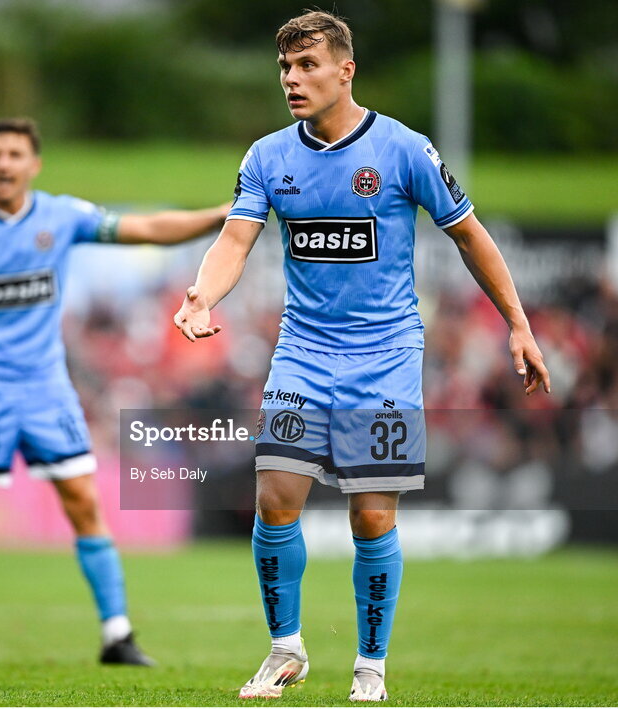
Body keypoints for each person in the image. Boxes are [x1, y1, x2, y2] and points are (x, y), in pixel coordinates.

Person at [173, 10, 552, 702]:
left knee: (370, 515)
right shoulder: (266, 157)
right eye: (284, 67)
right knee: (274, 497)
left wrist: (518, 324)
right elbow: (234, 240)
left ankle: (370, 662)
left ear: (345, 70)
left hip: (384, 357)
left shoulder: (404, 150)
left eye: (307, 65)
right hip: (302, 353)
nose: (291, 79)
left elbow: (469, 235)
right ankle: (284, 649)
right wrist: (202, 296)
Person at [0, 118, 229, 665]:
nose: (3, 163)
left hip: (46, 389)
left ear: (33, 164)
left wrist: (221, 217)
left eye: (15, 154)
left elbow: (147, 228)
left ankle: (117, 635)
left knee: (84, 503)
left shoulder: (62, 216)